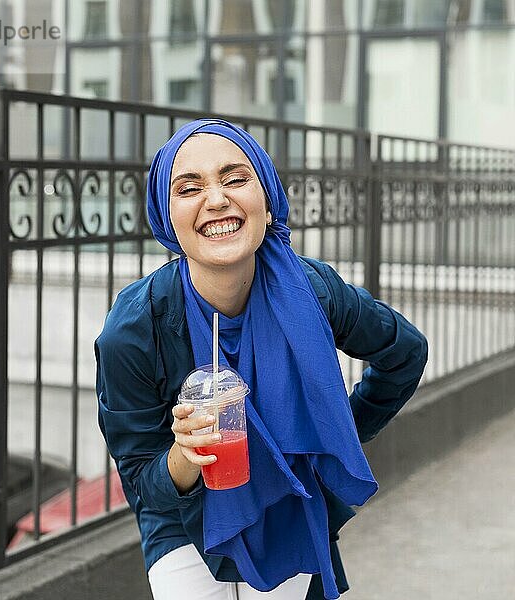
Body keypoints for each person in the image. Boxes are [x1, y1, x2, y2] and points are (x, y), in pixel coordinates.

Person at [95, 119, 428, 600]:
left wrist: (337, 430)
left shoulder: (311, 292)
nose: (216, 199)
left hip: (288, 501)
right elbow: (144, 483)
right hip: (184, 521)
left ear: (267, 200)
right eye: (189, 188)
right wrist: (184, 457)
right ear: (167, 220)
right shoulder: (133, 330)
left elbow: (405, 353)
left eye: (234, 179)